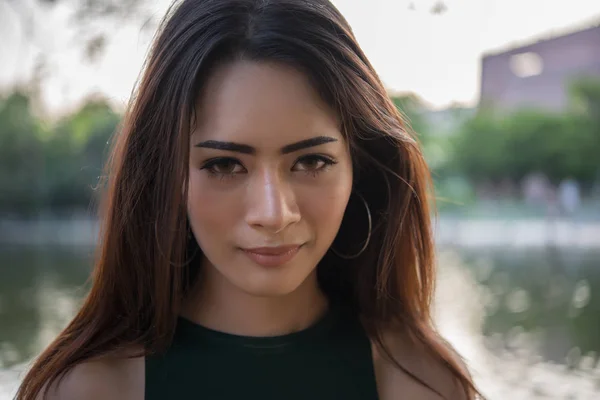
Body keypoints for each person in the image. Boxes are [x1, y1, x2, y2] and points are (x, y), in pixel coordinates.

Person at [17, 0, 481, 399]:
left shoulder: (422, 384)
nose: (273, 213)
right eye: (224, 166)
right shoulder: (88, 390)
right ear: (167, 174)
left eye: (311, 162)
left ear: (361, 165)